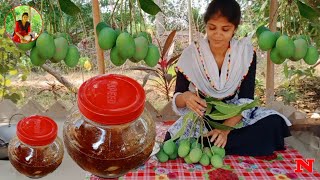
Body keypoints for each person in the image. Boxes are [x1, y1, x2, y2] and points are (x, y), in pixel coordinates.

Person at [164, 0, 292, 156]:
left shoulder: (245, 54)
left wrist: (224, 131)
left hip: (235, 116)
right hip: (205, 116)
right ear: (206, 26)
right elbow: (178, 98)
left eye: (225, 29)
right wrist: (186, 96)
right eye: (212, 27)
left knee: (273, 124)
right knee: (170, 137)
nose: (217, 34)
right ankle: (216, 144)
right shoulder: (192, 54)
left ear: (234, 29)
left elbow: (246, 100)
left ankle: (206, 144)